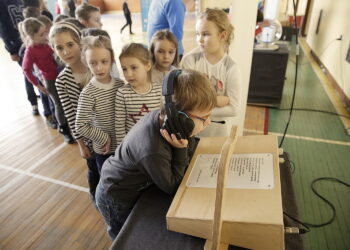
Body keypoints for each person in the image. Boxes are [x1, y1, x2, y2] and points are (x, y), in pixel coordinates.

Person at [95, 69, 217, 239]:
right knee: (124, 234)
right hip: (116, 196)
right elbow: (172, 186)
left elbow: (191, 149)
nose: (209, 122)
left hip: (133, 185)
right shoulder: (152, 150)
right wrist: (181, 149)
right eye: (204, 117)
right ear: (180, 119)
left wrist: (186, 145)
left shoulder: (168, 121)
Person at [49, 21, 99, 201]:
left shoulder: (96, 66)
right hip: (87, 136)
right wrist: (81, 142)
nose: (66, 52)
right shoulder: (61, 81)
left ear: (80, 43)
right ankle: (96, 196)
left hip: (107, 130)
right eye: (59, 48)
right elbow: (70, 114)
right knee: (94, 169)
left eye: (70, 45)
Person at [181, 8, 241, 137]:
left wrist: (200, 108)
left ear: (222, 35)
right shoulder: (190, 61)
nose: (199, 39)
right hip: (192, 131)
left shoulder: (231, 67)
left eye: (206, 34)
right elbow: (187, 102)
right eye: (198, 34)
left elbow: (234, 108)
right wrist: (215, 100)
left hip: (219, 133)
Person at [19, 17, 75, 143]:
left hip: (61, 75)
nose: (45, 35)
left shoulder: (46, 43)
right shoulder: (30, 51)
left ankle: (73, 125)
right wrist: (38, 86)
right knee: (59, 105)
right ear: (32, 36)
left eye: (45, 31)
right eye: (41, 34)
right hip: (50, 81)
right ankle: (64, 130)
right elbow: (26, 69)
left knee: (70, 101)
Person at [75, 35, 124, 173]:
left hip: (123, 145)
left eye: (104, 61)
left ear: (111, 60)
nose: (99, 67)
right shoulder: (88, 92)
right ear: (86, 63)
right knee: (108, 183)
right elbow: (80, 125)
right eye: (93, 63)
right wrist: (104, 138)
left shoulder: (120, 84)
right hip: (104, 150)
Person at [0, 0, 42, 116]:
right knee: (27, 72)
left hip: (28, 40)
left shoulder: (19, 1)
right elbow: (2, 27)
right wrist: (11, 50)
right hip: (17, 45)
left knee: (36, 71)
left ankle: (41, 94)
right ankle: (33, 103)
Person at [115, 43, 162, 146]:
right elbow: (119, 127)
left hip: (155, 146)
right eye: (124, 69)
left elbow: (163, 120)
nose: (129, 74)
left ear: (148, 66)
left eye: (134, 67)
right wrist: (121, 152)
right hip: (132, 147)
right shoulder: (122, 94)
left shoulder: (159, 91)